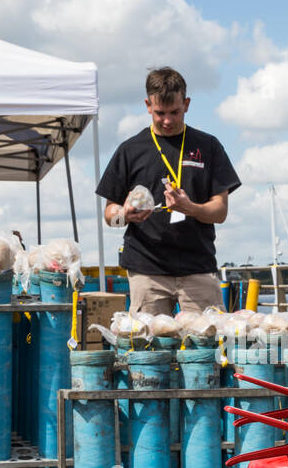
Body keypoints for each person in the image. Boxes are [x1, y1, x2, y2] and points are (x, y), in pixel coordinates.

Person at [96, 67, 240, 315]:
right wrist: (125, 213)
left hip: (198, 267)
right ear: (147, 105)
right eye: (160, 113)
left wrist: (191, 208)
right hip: (146, 270)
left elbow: (220, 211)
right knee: (148, 350)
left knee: (205, 348)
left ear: (186, 103)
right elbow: (109, 215)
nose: (167, 120)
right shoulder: (130, 150)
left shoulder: (208, 146)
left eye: (175, 112)